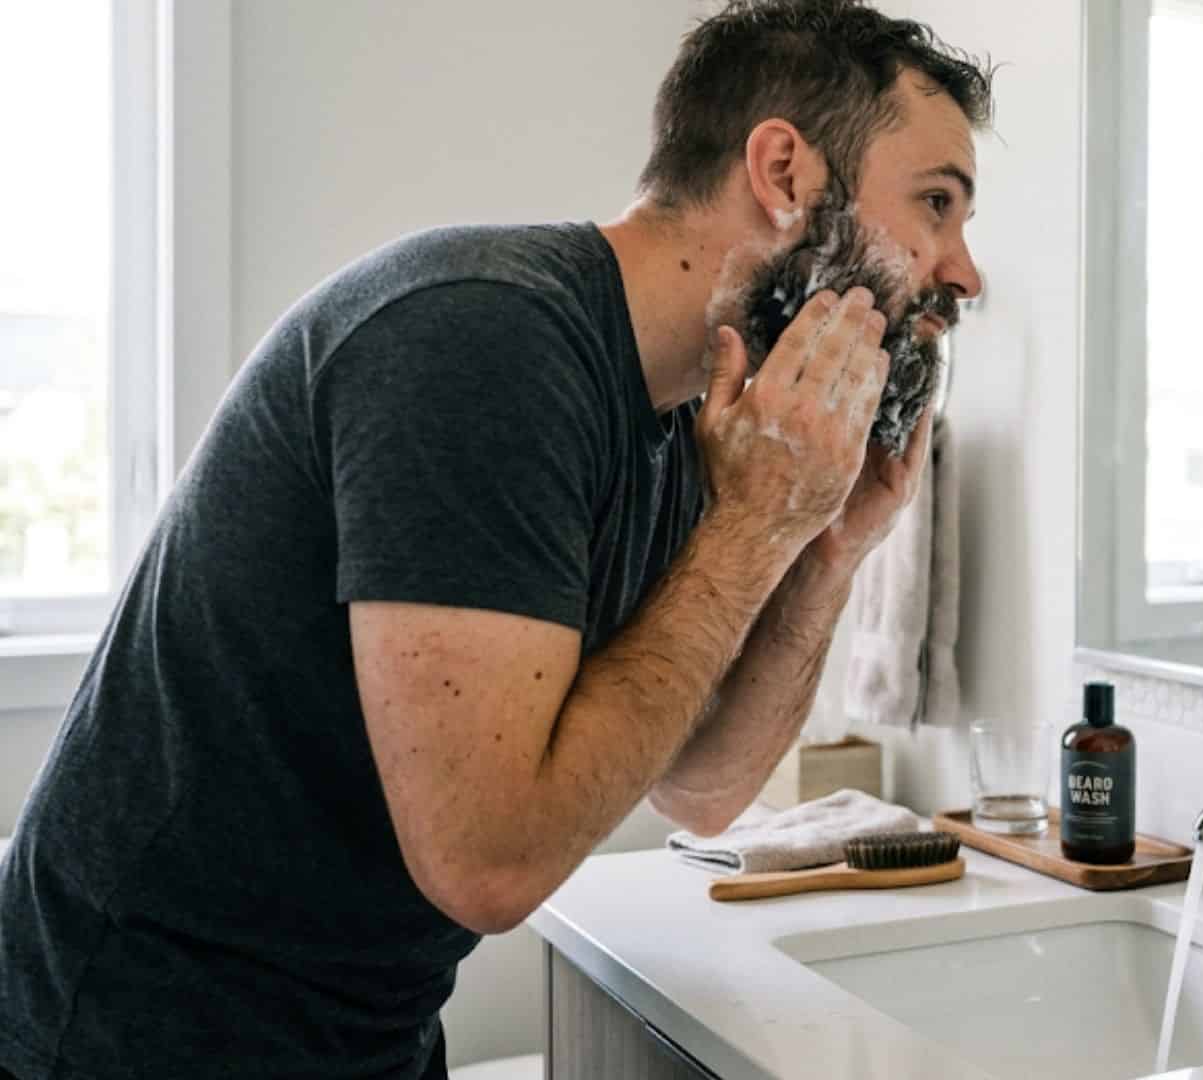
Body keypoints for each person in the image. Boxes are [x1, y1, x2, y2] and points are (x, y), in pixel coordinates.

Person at [0, 2, 988, 1076]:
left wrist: (828, 547)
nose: (963, 272)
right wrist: (756, 523)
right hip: (136, 1040)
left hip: (359, 1033)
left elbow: (699, 789)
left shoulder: (686, 419)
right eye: (936, 204)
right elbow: (490, 867)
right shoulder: (482, 342)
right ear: (786, 173)